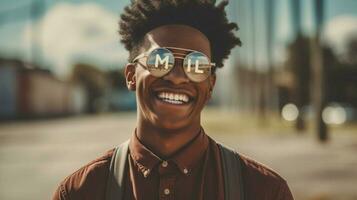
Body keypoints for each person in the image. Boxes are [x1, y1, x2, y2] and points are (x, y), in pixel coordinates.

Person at [52, 0, 294, 199]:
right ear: (130, 76)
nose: (177, 77)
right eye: (160, 59)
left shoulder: (265, 191)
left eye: (196, 64)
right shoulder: (79, 192)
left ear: (210, 86)